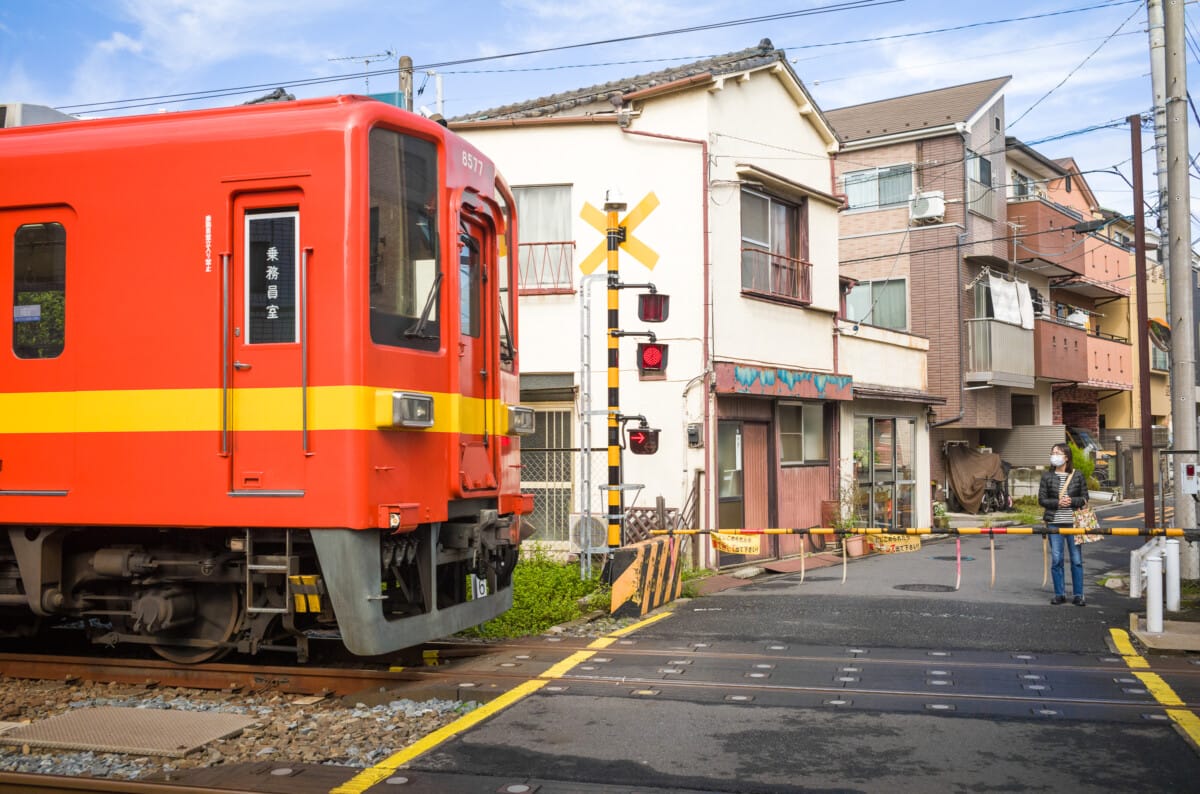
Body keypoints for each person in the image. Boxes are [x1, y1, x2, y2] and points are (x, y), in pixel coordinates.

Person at [1038, 443, 1089, 606]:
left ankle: (1078, 595)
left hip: (1074, 523)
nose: (1054, 456)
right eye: (1052, 453)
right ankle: (1059, 594)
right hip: (1054, 523)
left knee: (1076, 560)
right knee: (1057, 559)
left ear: (1066, 457)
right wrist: (1058, 503)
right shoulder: (1047, 476)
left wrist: (1071, 501)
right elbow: (1042, 500)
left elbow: (1085, 498)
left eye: (1057, 453)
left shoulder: (1078, 475)